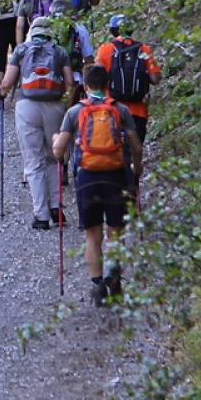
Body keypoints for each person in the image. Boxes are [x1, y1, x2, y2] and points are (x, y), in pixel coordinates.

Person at [52, 61, 143, 305]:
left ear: (85, 85)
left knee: (92, 236)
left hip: (88, 177)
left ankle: (98, 287)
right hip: (116, 175)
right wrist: (137, 168)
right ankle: (114, 279)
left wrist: (54, 141)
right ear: (107, 85)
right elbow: (135, 145)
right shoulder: (120, 110)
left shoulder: (74, 112)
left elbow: (59, 152)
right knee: (115, 232)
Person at [0, 14, 74, 229]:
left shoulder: (22, 50)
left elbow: (7, 83)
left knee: (33, 160)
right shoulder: (59, 51)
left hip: (27, 105)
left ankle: (41, 215)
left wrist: (1, 94)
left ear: (32, 31)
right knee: (54, 156)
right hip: (55, 106)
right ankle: (56, 207)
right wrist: (66, 104)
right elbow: (70, 82)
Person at [95, 16, 162, 142]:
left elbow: (95, 77)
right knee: (136, 149)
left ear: (112, 31)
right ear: (131, 30)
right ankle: (134, 163)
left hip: (111, 108)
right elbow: (155, 78)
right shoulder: (144, 50)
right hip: (138, 110)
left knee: (114, 149)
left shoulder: (105, 49)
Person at [47, 0, 94, 96]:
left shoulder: (43, 26)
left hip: (47, 75)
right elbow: (89, 59)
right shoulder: (79, 28)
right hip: (73, 77)